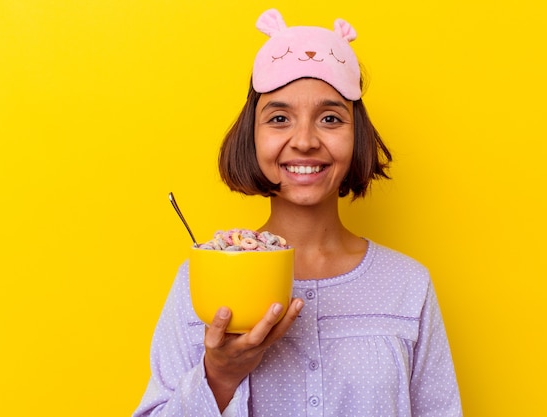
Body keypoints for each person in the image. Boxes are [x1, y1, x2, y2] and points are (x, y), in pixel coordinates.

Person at [134, 8, 462, 416]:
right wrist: (218, 376)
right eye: (279, 118)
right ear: (251, 138)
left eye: (329, 118)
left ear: (356, 136)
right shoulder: (202, 279)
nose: (304, 140)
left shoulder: (407, 285)